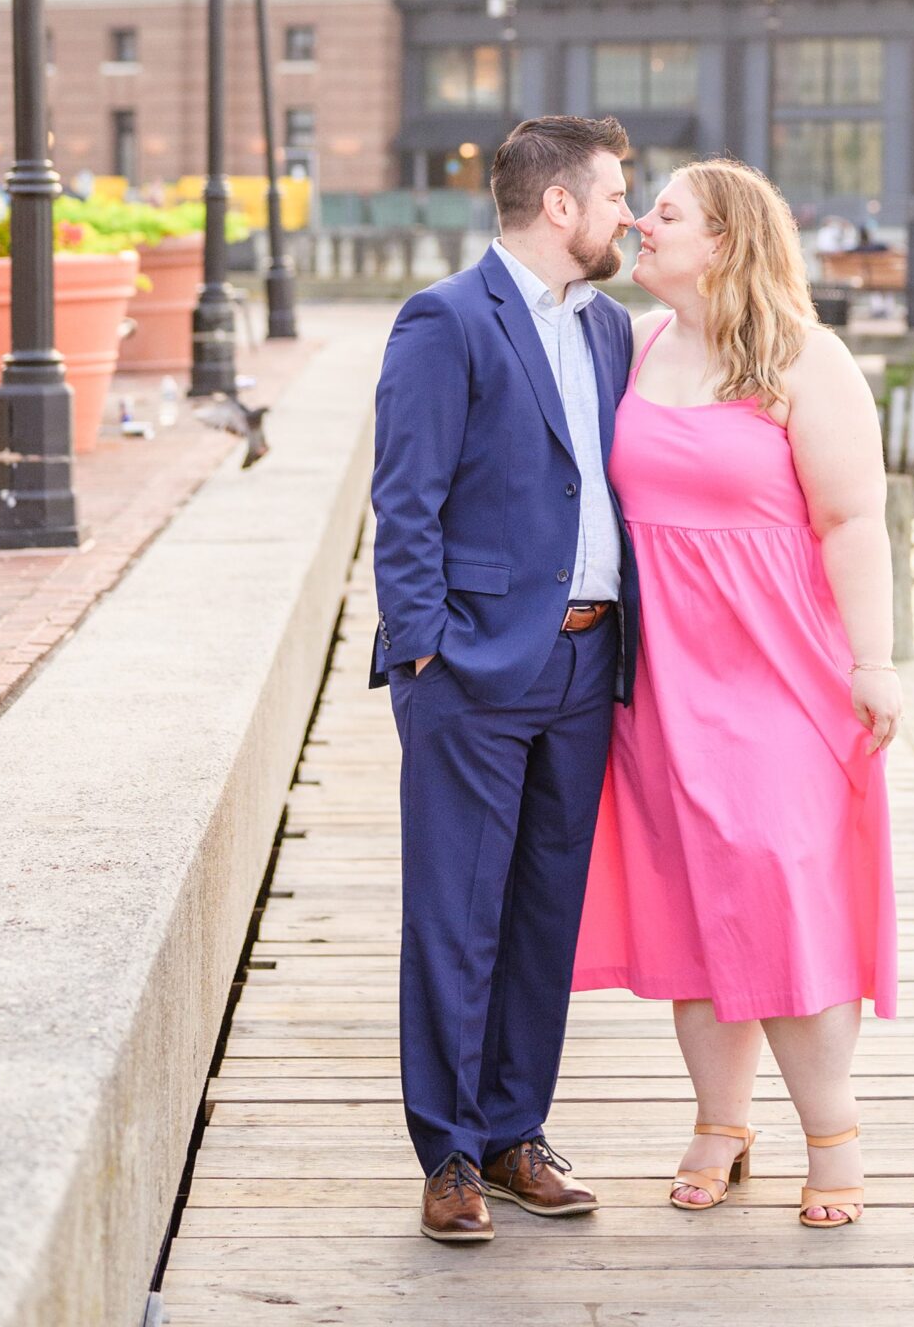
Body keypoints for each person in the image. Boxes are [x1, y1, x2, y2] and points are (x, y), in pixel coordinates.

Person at [574, 156, 900, 1229]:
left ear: (725, 240)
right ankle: (720, 1118)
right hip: (660, 675)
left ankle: (831, 1129)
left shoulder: (806, 357)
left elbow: (853, 522)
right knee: (692, 901)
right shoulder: (635, 343)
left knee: (779, 888)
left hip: (778, 667)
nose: (640, 224)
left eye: (663, 213)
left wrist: (874, 662)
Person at [369, 115, 640, 1248]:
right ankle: (446, 1152)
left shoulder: (615, 329)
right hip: (472, 664)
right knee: (455, 912)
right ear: (560, 206)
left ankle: (513, 1133)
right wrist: (424, 645)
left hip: (587, 659)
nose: (629, 211)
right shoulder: (445, 318)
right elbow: (404, 497)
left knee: (542, 912)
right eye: (616, 193)